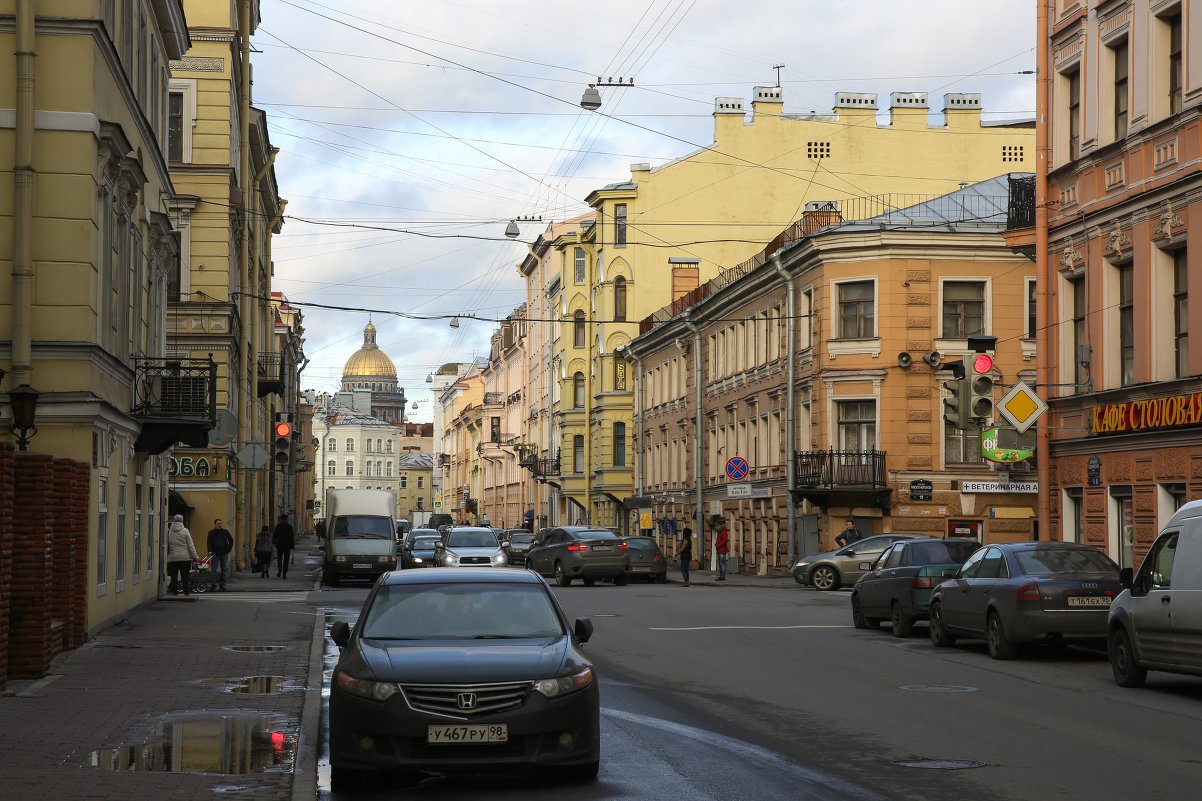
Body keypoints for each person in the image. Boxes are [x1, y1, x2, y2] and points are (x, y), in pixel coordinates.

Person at [166, 514, 199, 596]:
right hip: (184, 557)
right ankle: (186, 592)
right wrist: (195, 557)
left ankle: (174, 592)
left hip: (173, 557)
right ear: (182, 521)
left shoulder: (169, 531)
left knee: (174, 576)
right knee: (185, 576)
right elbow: (190, 545)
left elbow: (167, 544)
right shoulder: (185, 531)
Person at [206, 518, 234, 592]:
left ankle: (222, 585)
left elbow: (231, 540)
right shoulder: (211, 532)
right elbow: (209, 542)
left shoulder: (225, 532)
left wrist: (229, 549)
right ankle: (213, 585)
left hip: (224, 553)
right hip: (215, 554)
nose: (220, 525)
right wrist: (209, 551)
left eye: (221, 523)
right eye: (218, 523)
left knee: (224, 570)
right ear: (215, 524)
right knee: (213, 570)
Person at [273, 513, 296, 578]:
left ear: (281, 519)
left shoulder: (278, 526)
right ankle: (284, 573)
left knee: (279, 558)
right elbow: (291, 537)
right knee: (286, 559)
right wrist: (292, 546)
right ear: (287, 519)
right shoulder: (289, 527)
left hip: (279, 545)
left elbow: (275, 535)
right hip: (287, 545)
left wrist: (275, 542)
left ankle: (280, 569)